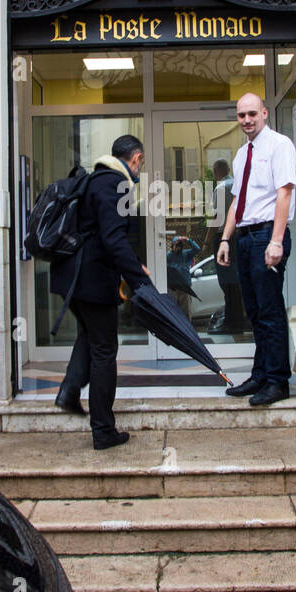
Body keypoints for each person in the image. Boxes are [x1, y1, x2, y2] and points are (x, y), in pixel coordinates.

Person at [50, 134, 149, 450]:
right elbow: (113, 238)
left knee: (89, 337)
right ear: (135, 159)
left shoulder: (94, 180)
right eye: (140, 163)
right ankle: (103, 430)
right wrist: (138, 278)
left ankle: (69, 390)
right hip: (92, 281)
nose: (139, 170)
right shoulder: (115, 184)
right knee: (105, 351)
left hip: (73, 280)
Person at [216, 95, 296, 405]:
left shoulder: (279, 145)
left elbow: (284, 193)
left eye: (252, 113)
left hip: (267, 235)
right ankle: (260, 375)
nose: (246, 119)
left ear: (264, 113)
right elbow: (238, 201)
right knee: (255, 312)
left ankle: (278, 381)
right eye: (241, 115)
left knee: (270, 311)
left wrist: (276, 241)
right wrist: (226, 239)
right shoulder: (241, 155)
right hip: (246, 238)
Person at [206, 158, 246, 333]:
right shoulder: (237, 184)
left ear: (215, 173)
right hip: (240, 236)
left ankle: (232, 320)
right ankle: (238, 317)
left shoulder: (221, 188)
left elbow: (218, 217)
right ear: (229, 169)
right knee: (235, 280)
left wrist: (208, 239)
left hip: (225, 237)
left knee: (227, 281)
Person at [166, 234, 200, 318]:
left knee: (186, 311)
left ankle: (187, 329)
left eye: (179, 245)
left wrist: (188, 240)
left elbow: (197, 249)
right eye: (176, 245)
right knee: (173, 311)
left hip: (185, 287)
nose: (178, 247)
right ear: (172, 245)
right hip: (173, 287)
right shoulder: (169, 256)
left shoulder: (186, 254)